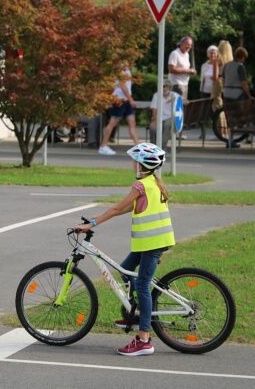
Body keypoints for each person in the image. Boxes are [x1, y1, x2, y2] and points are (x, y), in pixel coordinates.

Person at [75, 143, 174, 357]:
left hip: (151, 244)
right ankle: (137, 314)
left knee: (142, 285)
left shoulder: (141, 186)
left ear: (142, 165)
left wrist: (92, 223)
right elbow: (127, 209)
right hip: (151, 243)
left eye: (134, 161)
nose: (132, 164)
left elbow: (117, 208)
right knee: (125, 270)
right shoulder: (154, 184)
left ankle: (144, 340)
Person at [98, 63, 140, 155]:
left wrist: (129, 99)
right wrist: (131, 99)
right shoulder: (120, 71)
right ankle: (103, 146)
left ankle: (138, 146)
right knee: (113, 122)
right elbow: (122, 86)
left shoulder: (127, 70)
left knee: (132, 122)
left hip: (126, 100)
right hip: (119, 99)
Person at [149, 79, 179, 150]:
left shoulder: (173, 95)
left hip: (170, 117)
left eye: (164, 86)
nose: (162, 88)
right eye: (161, 86)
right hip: (159, 117)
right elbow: (154, 108)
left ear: (169, 87)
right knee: (153, 128)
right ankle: (153, 148)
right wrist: (154, 119)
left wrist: (174, 100)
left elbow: (185, 102)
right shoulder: (156, 95)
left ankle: (162, 147)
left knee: (167, 125)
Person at [168, 36, 196, 100]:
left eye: (190, 45)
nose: (189, 47)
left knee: (181, 107)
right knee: (176, 108)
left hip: (185, 84)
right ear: (181, 44)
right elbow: (171, 69)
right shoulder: (175, 53)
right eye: (187, 44)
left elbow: (185, 69)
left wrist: (191, 71)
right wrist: (188, 71)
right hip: (176, 84)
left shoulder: (187, 54)